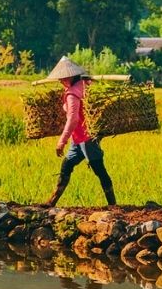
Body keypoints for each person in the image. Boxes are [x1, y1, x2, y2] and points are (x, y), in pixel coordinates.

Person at [42, 55, 116, 208]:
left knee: (99, 169)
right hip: (79, 139)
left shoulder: (71, 94)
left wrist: (61, 141)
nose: (61, 82)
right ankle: (52, 201)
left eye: (62, 79)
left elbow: (73, 119)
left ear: (70, 77)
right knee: (66, 166)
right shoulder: (85, 85)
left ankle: (113, 206)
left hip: (86, 138)